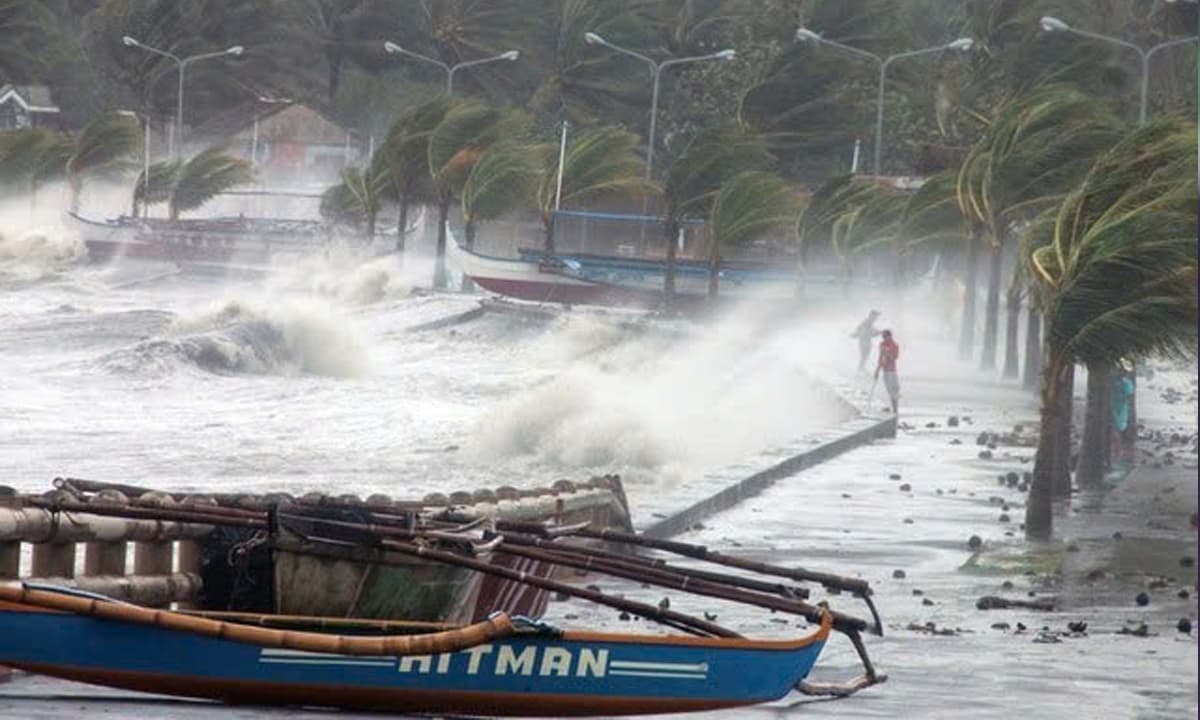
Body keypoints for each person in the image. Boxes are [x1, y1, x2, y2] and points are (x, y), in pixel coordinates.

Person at [875, 329, 900, 414]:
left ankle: (895, 409)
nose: (884, 339)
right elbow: (880, 357)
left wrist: (886, 352)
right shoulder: (882, 344)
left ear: (889, 336)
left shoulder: (895, 345)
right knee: (890, 390)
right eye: (883, 337)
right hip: (886, 371)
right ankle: (894, 409)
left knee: (895, 389)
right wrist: (877, 370)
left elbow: (894, 358)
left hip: (893, 371)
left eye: (885, 337)